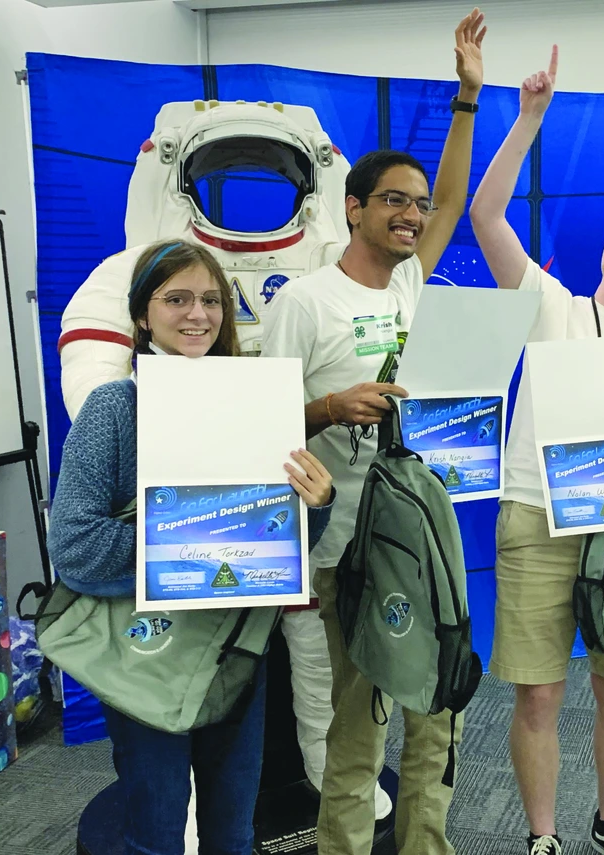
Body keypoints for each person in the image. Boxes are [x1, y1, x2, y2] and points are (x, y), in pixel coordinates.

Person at [260, 9, 486, 854]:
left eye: (418, 206)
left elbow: (457, 198)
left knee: (437, 716)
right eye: (394, 200)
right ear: (352, 208)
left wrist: (467, 98)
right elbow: (262, 423)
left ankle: (430, 845)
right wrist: (326, 409)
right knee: (356, 733)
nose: (413, 214)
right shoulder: (305, 302)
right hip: (343, 551)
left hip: (422, 533)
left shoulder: (413, 281)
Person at [48, 240, 336, 855]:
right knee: (156, 832)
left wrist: (316, 507)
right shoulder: (114, 409)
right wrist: (197, 538)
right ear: (141, 316)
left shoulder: (259, 405)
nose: (197, 314)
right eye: (176, 298)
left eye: (211, 300)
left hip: (238, 650)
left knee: (233, 832)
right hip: (147, 657)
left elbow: (283, 549)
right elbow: (74, 547)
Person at [468, 46, 604, 855]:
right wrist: (528, 119)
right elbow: (487, 216)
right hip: (534, 511)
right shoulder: (550, 303)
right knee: (538, 692)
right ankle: (541, 834)